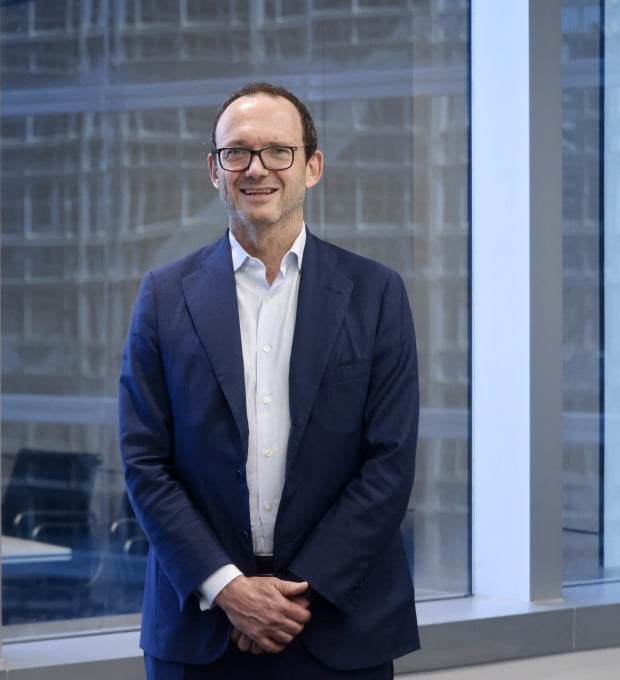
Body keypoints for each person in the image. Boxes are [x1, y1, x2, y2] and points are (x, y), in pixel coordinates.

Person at [119, 81, 420, 679]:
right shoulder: (163, 297)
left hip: (339, 623)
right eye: (237, 152)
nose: (256, 168)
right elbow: (144, 462)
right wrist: (229, 588)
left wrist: (296, 595)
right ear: (214, 169)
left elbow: (389, 463)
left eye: (278, 151)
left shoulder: (377, 294)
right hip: (201, 627)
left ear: (312, 167)